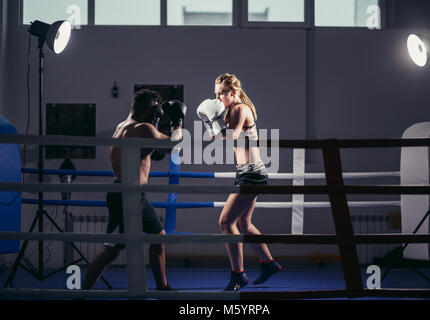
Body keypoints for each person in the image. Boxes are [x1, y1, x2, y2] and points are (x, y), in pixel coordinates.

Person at [81, 89, 186, 291]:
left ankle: (162, 287)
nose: (158, 116)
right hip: (125, 195)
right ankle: (81, 294)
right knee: (112, 250)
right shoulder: (143, 128)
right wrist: (177, 121)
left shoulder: (123, 126)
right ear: (150, 110)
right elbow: (173, 145)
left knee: (158, 238)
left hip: (134, 194)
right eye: (157, 112)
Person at [197, 73, 281, 291]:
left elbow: (230, 138)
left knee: (226, 223)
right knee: (243, 224)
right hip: (245, 172)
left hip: (252, 174)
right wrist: (208, 122)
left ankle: (238, 275)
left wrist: (212, 121)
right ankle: (269, 264)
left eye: (221, 93)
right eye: (215, 94)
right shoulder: (229, 110)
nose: (217, 98)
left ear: (233, 92)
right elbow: (218, 139)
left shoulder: (240, 109)